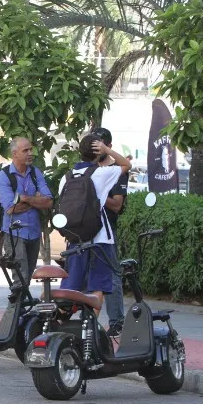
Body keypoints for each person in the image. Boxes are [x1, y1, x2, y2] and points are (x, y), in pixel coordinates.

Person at [59, 133, 132, 312]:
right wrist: (107, 149)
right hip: (100, 238)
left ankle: (59, 325)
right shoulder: (101, 173)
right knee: (97, 286)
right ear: (98, 153)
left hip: (75, 238)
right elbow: (126, 165)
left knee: (70, 287)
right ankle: (91, 333)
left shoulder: (67, 177)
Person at [0, 137, 53, 297]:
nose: (30, 153)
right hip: (14, 233)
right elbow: (11, 209)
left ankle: (20, 318)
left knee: (26, 280)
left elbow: (48, 201)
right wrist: (36, 199)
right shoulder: (3, 176)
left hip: (34, 233)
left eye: (30, 149)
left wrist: (26, 198)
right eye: (25, 150)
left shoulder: (35, 173)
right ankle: (13, 319)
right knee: (20, 281)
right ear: (14, 154)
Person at [93, 127, 130, 337]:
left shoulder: (116, 171)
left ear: (109, 146)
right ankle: (87, 322)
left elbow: (116, 206)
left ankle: (116, 322)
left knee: (112, 275)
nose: (96, 150)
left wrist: (98, 194)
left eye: (101, 145)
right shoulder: (88, 169)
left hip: (107, 230)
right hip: (87, 229)